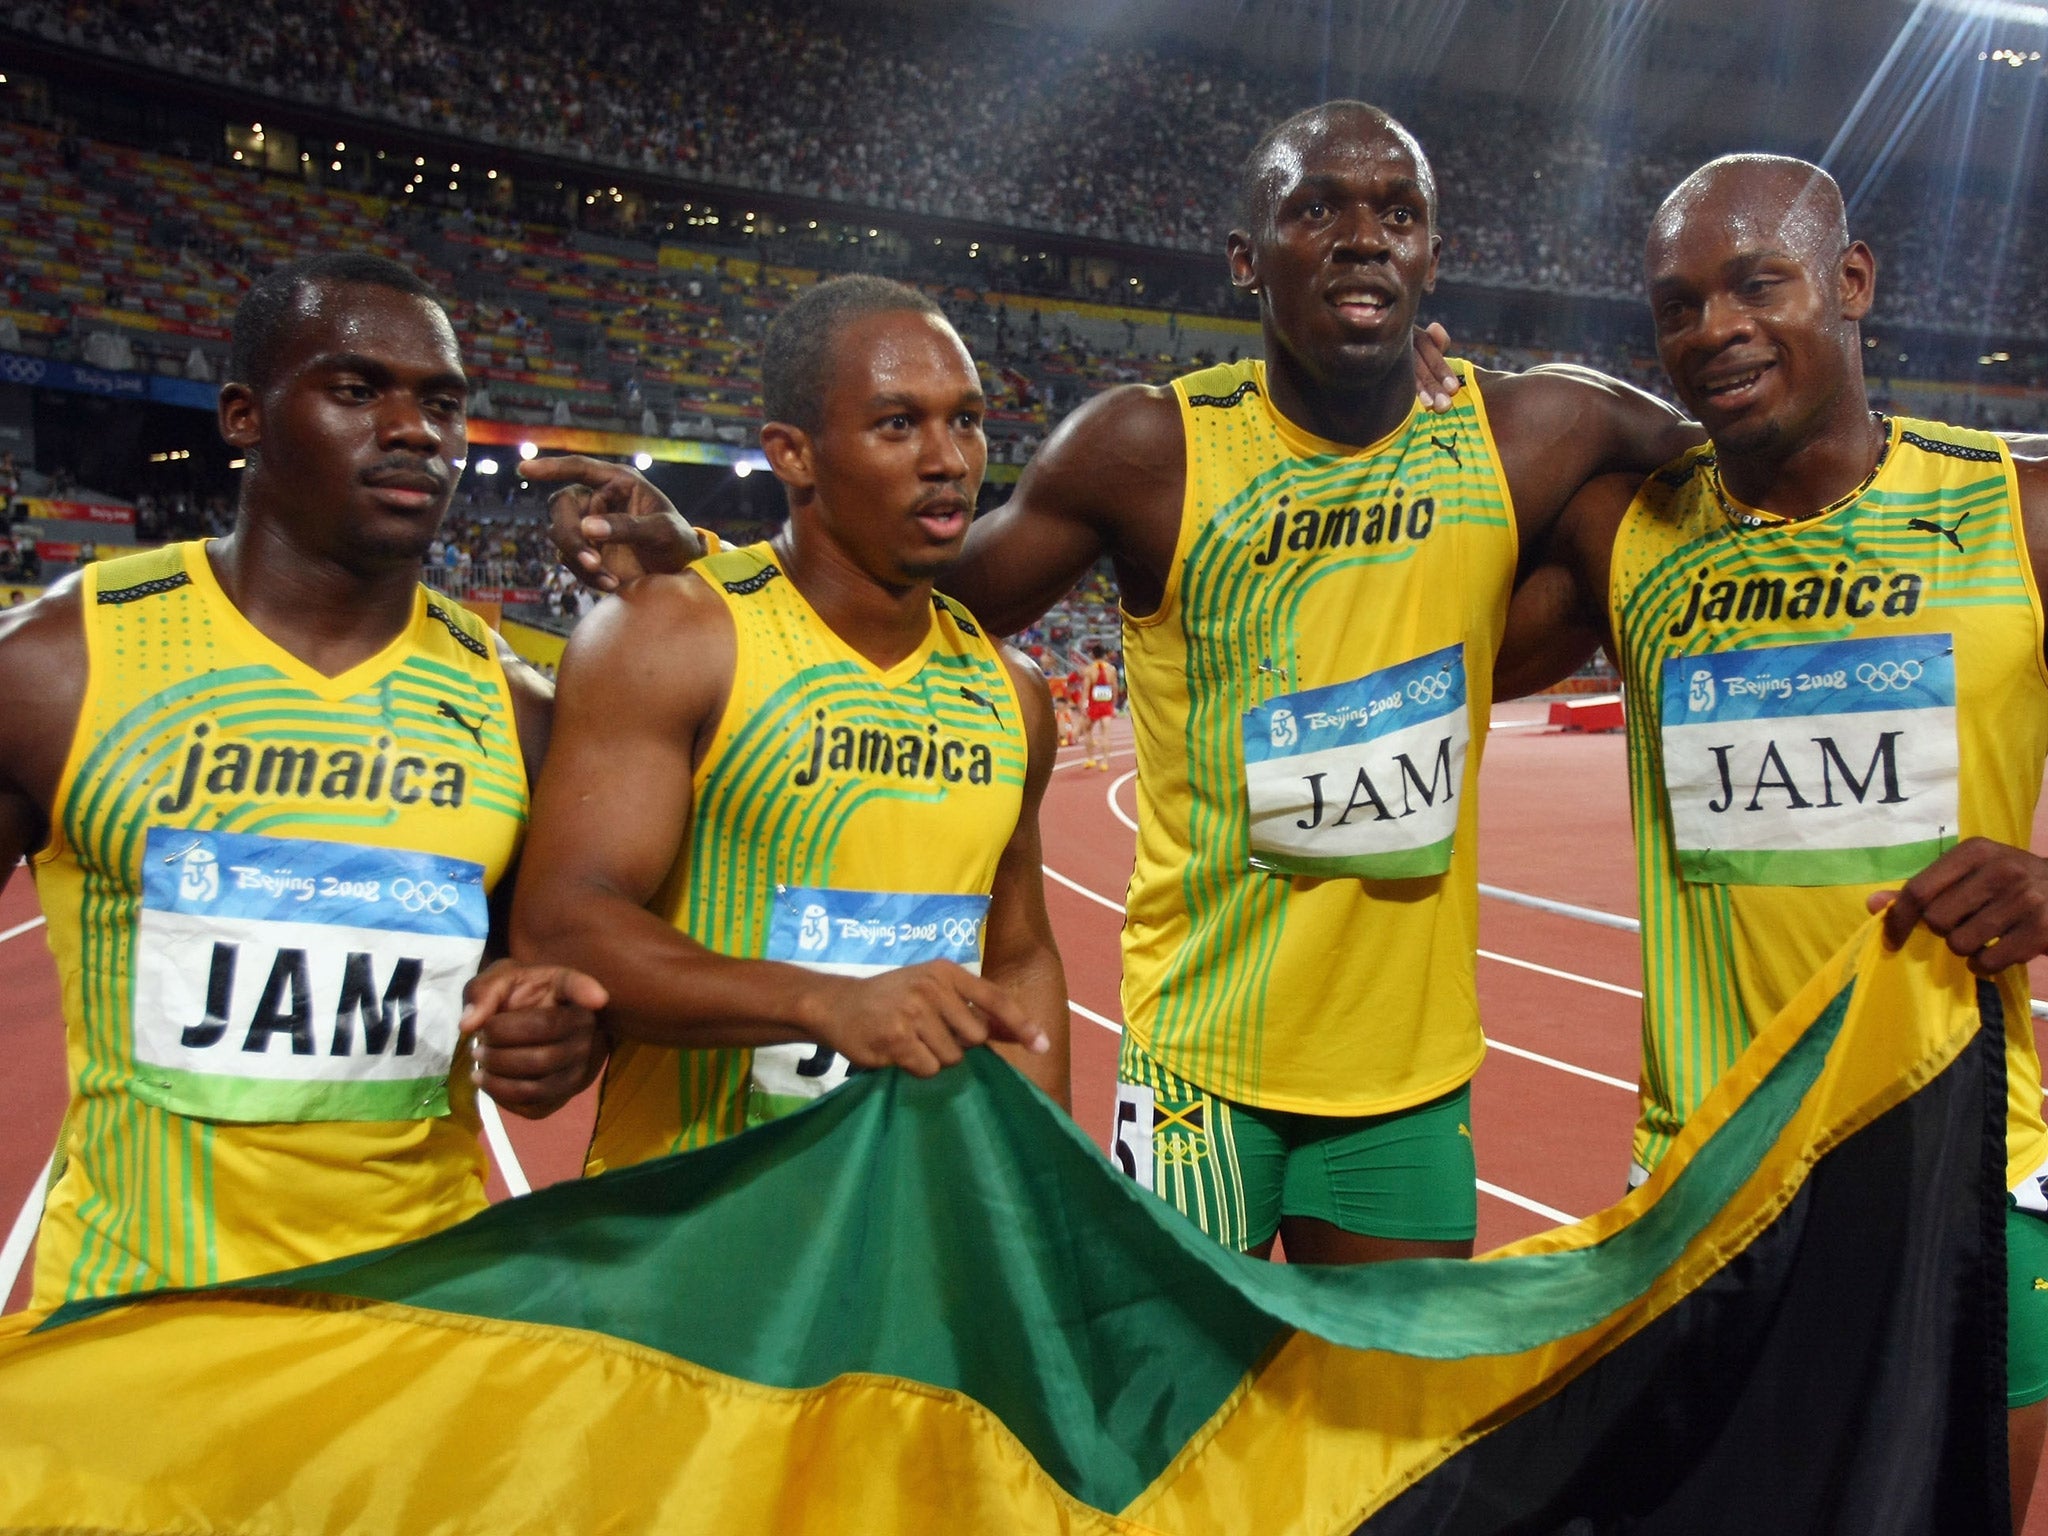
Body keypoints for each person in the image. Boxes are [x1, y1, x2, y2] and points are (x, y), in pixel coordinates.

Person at [550, 101, 1703, 1265]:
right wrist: (710, 569)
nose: (1363, 238)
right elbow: (914, 595)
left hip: (1407, 1076)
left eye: (1396, 215)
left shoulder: (1528, 430)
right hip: (1199, 1060)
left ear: (1430, 259)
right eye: (1317, 210)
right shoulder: (1148, 449)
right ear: (1245, 262)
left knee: (1394, 1428)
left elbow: (1747, 461)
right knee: (1168, 1421)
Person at [1497, 154, 2048, 1525]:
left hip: (1963, 1171)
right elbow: (1404, 635)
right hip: (1706, 1184)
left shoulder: (2020, 516)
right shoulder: (1633, 540)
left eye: (1758, 283)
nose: (1716, 330)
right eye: (1679, 307)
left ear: (1852, 282)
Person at [0, 254, 604, 1312]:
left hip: (415, 1317)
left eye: (444, 403)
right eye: (358, 389)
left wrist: (554, 1038)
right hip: (136, 1323)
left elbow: (542, 989)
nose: (416, 430)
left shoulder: (520, 709)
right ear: (244, 414)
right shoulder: (58, 665)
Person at [512, 276, 1069, 1175]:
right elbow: (564, 920)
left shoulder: (1014, 691)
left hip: (922, 1212)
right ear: (794, 454)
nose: (950, 460)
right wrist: (822, 1003)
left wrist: (1043, 1192)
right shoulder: (673, 638)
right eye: (898, 424)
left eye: (965, 420)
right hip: (701, 1225)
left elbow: (1019, 959)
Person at [1080, 642, 1118, 769]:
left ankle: (1091, 758)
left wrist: (1083, 706)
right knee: (1105, 733)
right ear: (1105, 655)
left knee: (1087, 729)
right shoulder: (1111, 669)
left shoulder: (1089, 670)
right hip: (1106, 705)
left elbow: (1085, 690)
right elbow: (1115, 689)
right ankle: (1105, 762)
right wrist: (1114, 705)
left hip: (1093, 705)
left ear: (1092, 655)